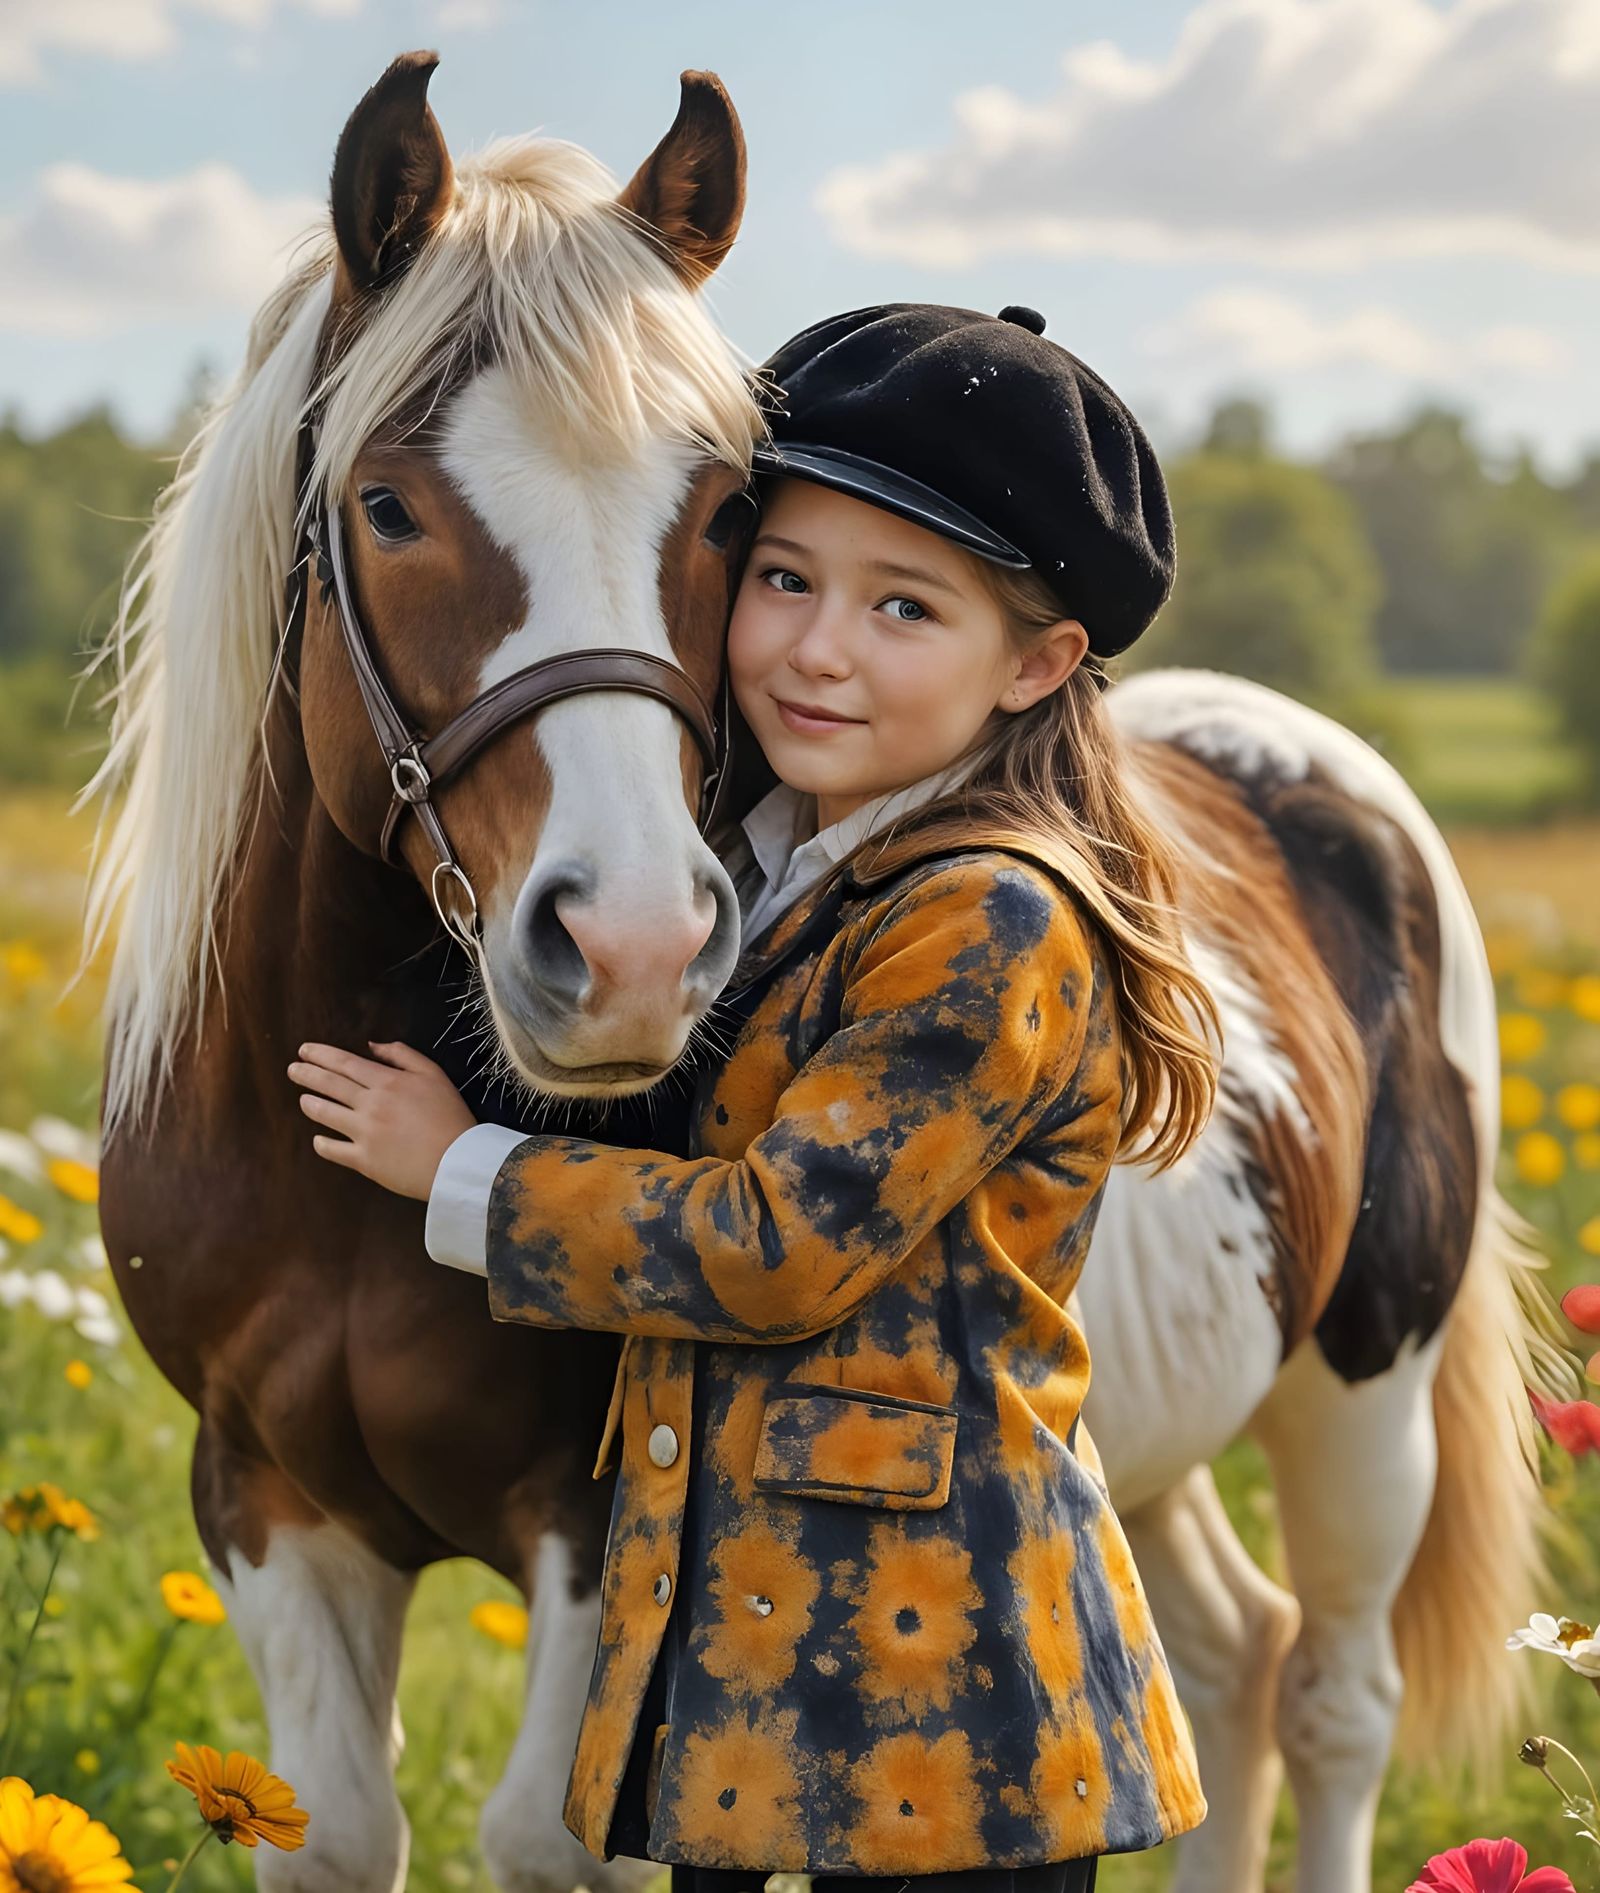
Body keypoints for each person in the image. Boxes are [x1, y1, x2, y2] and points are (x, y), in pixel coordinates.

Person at [287, 302, 1220, 1891]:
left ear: (1040, 663)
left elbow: (783, 1242)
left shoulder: (989, 914)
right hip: (753, 1696)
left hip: (950, 1720)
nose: (815, 646)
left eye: (904, 608)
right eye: (781, 578)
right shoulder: (786, 871)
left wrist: (470, 1175)